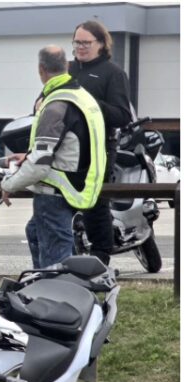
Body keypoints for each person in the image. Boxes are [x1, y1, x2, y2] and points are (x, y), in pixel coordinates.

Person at [2, 46, 106, 269]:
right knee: (34, 232)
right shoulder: (82, 96)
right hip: (79, 185)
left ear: (41, 69)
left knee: (55, 263)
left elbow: (40, 165)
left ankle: (55, 297)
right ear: (67, 66)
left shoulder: (55, 105)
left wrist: (8, 184)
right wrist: (28, 156)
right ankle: (46, 289)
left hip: (55, 193)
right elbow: (70, 144)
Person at [67, 20, 134, 266]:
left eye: (86, 42)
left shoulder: (113, 73)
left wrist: (89, 103)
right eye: (77, 42)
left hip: (99, 149)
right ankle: (64, 261)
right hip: (66, 150)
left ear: (101, 43)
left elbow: (123, 115)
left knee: (95, 204)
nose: (81, 47)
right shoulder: (67, 70)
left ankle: (100, 260)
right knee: (59, 202)